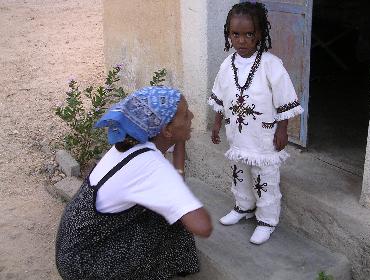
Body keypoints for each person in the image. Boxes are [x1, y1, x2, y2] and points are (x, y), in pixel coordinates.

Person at [56, 86, 212, 280]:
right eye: (185, 114)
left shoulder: (134, 142)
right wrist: (186, 200)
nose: (192, 116)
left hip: (73, 249)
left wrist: (180, 136)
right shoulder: (151, 165)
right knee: (174, 219)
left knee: (167, 210)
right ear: (166, 130)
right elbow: (202, 226)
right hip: (84, 266)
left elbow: (175, 178)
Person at [208, 1, 303, 245]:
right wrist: (217, 124)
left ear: (260, 33)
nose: (241, 40)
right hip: (237, 135)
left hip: (263, 138)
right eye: (235, 34)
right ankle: (243, 207)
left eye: (249, 34)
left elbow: (285, 101)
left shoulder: (272, 65)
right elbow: (221, 96)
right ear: (228, 34)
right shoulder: (226, 65)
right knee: (240, 173)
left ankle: (267, 220)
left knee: (265, 178)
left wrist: (283, 131)